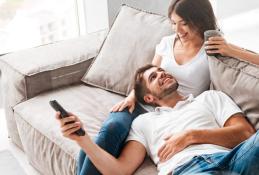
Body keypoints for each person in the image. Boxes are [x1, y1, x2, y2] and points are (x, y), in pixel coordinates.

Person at [77, 0, 259, 174]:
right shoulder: (167, 43)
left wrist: (231, 50)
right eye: (173, 23)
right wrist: (133, 95)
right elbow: (149, 73)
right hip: (145, 106)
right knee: (109, 131)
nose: (177, 30)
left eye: (184, 23)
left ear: (198, 19)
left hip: (189, 113)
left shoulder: (210, 55)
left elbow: (245, 132)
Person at [57, 64, 258, 175]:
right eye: (153, 77)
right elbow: (119, 170)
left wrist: (190, 136)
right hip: (189, 169)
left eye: (161, 71)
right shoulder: (144, 123)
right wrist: (81, 139)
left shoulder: (211, 97)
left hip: (235, 158)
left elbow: (245, 133)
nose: (162, 74)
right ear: (149, 98)